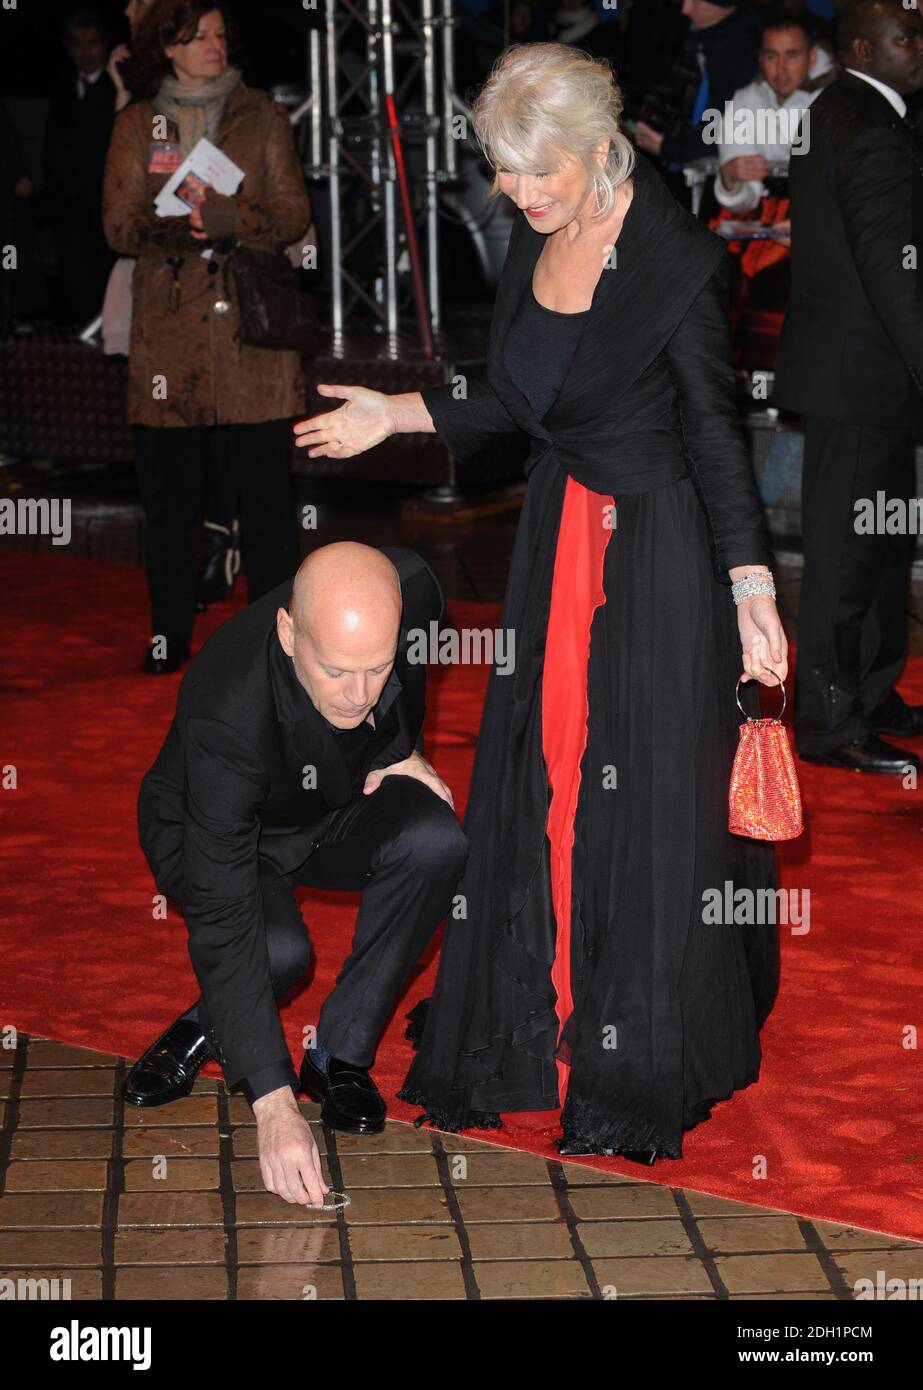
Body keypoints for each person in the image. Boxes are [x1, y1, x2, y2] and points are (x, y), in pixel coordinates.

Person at [293, 43, 787, 1162]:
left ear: (596, 144)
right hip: (558, 539)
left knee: (640, 797)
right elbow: (512, 394)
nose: (517, 196)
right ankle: (539, 1011)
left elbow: (718, 436)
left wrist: (750, 586)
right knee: (549, 770)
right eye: (505, 175)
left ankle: (628, 1045)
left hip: (655, 553)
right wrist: (399, 415)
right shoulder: (534, 232)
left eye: (537, 174)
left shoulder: (678, 262)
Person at [125, 543, 466, 1208]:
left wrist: (401, 749)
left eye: (376, 667)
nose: (358, 693)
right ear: (287, 632)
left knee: (435, 838)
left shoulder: (414, 589)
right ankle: (206, 1024)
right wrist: (273, 1107)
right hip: (218, 829)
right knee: (276, 953)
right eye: (336, 671)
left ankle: (336, 1057)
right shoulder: (225, 711)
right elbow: (225, 920)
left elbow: (405, 674)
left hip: (334, 800)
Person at [101, 0, 309, 675]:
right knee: (168, 501)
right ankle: (168, 634)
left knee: (270, 508)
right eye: (198, 37)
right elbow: (117, 226)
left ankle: (276, 648)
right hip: (170, 335)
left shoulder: (263, 114)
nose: (214, 46)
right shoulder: (138, 123)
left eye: (221, 34)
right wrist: (179, 227)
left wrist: (229, 217)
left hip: (250, 334)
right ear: (167, 47)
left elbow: (292, 214)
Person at [773, 0, 923, 773]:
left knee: (881, 549)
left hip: (865, 376)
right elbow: (890, 269)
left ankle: (869, 690)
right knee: (845, 555)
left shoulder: (849, 108)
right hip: (861, 377)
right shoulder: (862, 123)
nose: (920, 47)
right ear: (862, 44)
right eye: (907, 37)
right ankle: (829, 721)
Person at [42, 7, 118, 325]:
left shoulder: (119, 89)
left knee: (108, 284)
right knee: (75, 281)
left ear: (105, 44)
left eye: (92, 42)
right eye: (77, 44)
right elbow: (53, 148)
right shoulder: (61, 86)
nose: (86, 52)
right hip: (69, 208)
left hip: (105, 207)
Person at [634, 0, 764, 170]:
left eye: (695, 2)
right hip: (684, 153)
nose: (685, 9)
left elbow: (723, 133)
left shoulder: (739, 52)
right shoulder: (702, 33)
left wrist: (668, 148)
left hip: (716, 170)